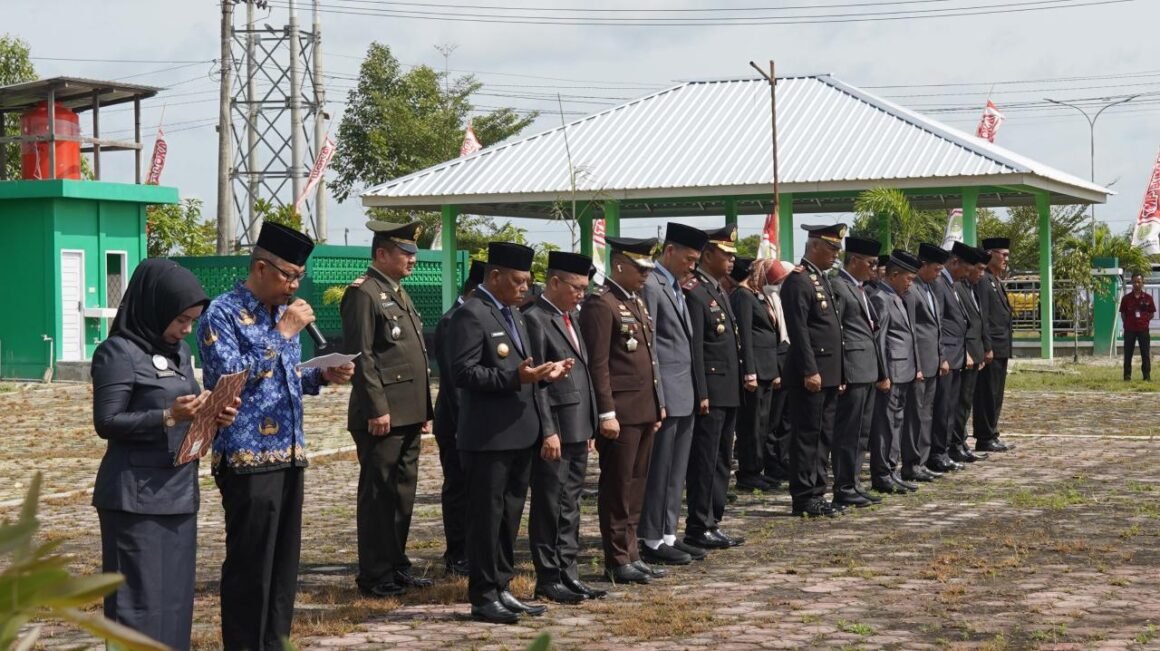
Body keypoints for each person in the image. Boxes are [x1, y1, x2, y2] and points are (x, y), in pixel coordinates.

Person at [198, 222, 355, 651]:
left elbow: (283, 379)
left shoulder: (277, 315)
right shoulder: (223, 313)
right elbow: (231, 380)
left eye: (299, 277)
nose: (294, 285)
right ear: (261, 268)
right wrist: (283, 332)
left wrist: (322, 374)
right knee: (251, 567)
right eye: (288, 275)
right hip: (247, 457)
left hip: (289, 452)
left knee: (284, 569)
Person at [92, 259, 238, 651]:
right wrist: (166, 416)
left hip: (177, 493)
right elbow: (107, 422)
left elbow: (187, 409)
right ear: (154, 308)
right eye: (180, 320)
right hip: (135, 498)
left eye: (191, 320)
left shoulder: (179, 352)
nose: (186, 329)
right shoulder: (117, 353)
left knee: (174, 604)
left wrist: (212, 415)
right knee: (137, 606)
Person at [449, 242, 569, 624]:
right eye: (517, 281)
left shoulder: (513, 315)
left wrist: (543, 374)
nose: (524, 288)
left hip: (519, 433)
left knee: (508, 518)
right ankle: (483, 595)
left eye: (527, 281)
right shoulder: (471, 314)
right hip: (488, 437)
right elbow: (462, 373)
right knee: (486, 518)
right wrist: (512, 377)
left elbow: (525, 370)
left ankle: (502, 586)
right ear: (495, 276)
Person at [340, 220, 434, 598]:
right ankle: (374, 573)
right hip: (382, 416)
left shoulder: (397, 291)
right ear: (381, 254)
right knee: (379, 495)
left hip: (408, 413)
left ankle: (396, 565)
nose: (412, 260)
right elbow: (361, 357)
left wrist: (424, 409)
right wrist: (377, 408)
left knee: (401, 494)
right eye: (405, 253)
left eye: (413, 253)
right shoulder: (364, 294)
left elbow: (413, 356)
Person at [578, 236, 665, 585]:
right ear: (619, 265)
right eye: (640, 268)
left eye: (648, 269)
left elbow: (650, 359)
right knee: (617, 486)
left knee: (637, 485)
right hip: (620, 413)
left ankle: (632, 552)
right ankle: (616, 557)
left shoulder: (636, 302)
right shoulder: (603, 305)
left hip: (643, 408)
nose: (645, 275)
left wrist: (659, 404)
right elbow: (598, 365)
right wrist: (605, 413)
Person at [523, 251, 607, 604]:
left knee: (570, 503)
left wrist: (589, 425)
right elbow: (538, 383)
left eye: (585, 288)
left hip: (577, 426)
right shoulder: (535, 319)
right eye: (576, 287)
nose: (581, 295)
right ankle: (548, 575)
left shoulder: (568, 317)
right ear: (554, 282)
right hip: (556, 427)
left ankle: (568, 571)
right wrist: (548, 430)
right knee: (550, 504)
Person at [639, 223, 708, 568]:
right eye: (688, 258)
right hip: (666, 391)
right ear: (669, 252)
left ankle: (668, 532)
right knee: (660, 469)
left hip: (685, 392)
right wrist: (659, 397)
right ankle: (651, 536)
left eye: (696, 261)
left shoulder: (677, 288)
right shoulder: (652, 285)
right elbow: (651, 346)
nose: (692, 266)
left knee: (676, 470)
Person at [683, 225, 745, 548]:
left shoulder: (718, 289)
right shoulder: (695, 292)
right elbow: (696, 348)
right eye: (726, 254)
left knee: (722, 458)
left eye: (734, 255)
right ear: (707, 255)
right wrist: (702, 391)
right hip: (711, 390)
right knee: (705, 460)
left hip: (728, 389)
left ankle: (713, 519)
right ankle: (698, 524)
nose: (732, 260)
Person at [781, 223, 847, 517]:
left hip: (829, 372)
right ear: (815, 246)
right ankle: (804, 495)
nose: (836, 254)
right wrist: (810, 370)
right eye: (832, 248)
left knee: (824, 436)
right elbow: (799, 330)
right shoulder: (799, 280)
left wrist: (840, 373)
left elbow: (833, 330)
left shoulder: (821, 279)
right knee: (808, 435)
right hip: (811, 373)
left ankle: (818, 492)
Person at [431, 260, 485, 577]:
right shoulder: (455, 321)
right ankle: (457, 554)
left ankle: (471, 550)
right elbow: (455, 384)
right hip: (457, 422)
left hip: (473, 422)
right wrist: (468, 427)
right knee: (459, 488)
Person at [830, 236, 887, 509]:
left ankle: (854, 483)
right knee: (848, 432)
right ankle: (843, 485)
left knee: (862, 433)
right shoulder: (838, 286)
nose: (874, 269)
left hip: (867, 368)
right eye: (871, 263)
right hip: (852, 369)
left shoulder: (861, 289)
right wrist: (840, 372)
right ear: (854, 261)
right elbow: (837, 333)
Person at [869, 250, 922, 496]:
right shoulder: (882, 297)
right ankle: (881, 473)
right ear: (894, 275)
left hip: (904, 370)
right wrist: (883, 374)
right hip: (892, 370)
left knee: (896, 423)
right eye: (908, 278)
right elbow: (879, 341)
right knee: (885, 425)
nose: (911, 283)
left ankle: (892, 470)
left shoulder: (898, 297)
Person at [731, 257, 782, 493]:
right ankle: (748, 472)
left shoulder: (755, 296)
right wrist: (749, 370)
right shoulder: (742, 296)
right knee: (751, 424)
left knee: (763, 424)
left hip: (767, 369)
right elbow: (745, 336)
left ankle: (757, 469)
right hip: (756, 371)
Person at [902, 243, 950, 483]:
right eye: (936, 269)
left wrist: (941, 357)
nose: (939, 274)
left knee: (927, 414)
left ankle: (924, 459)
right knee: (915, 415)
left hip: (933, 361)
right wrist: (917, 364)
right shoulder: (913, 290)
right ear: (923, 266)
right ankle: (911, 463)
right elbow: (911, 329)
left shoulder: (932, 289)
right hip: (919, 363)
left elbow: (937, 327)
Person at [927, 241, 975, 473]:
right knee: (942, 409)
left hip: (956, 356)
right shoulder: (939, 283)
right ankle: (937, 453)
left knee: (951, 408)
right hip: (946, 356)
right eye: (965, 268)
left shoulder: (951, 284)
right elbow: (936, 323)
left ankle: (944, 450)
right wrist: (942, 356)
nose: (967, 274)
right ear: (954, 262)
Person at [973, 237, 1016, 452]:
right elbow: (984, 317)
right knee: (987, 394)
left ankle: (992, 432)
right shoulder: (984, 280)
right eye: (1003, 254)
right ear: (990, 254)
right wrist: (987, 346)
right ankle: (984, 436)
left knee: (996, 394)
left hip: (1002, 346)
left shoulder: (995, 280)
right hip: (992, 347)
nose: (1006, 259)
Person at [950, 246, 990, 464]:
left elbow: (977, 321)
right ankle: (955, 443)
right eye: (978, 269)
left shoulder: (970, 288)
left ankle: (960, 442)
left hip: (973, 353)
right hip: (962, 354)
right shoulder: (957, 287)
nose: (980, 274)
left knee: (965, 403)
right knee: (958, 402)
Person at [761, 260, 794, 487]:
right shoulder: (765, 298)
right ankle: (772, 465)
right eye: (779, 279)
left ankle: (782, 462)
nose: (781, 283)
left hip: (787, 362)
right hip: (774, 366)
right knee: (772, 423)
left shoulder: (780, 298)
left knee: (786, 421)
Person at [1120, 272, 1155, 381]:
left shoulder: (1148, 298)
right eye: (1134, 282)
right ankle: (1127, 375)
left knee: (1145, 353)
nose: (1136, 284)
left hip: (1143, 329)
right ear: (1132, 283)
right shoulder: (1126, 299)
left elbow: (1152, 313)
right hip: (1129, 329)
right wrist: (1128, 323)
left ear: (1143, 283)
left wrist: (1144, 321)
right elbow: (1123, 314)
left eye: (1139, 282)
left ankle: (1146, 376)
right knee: (1128, 354)